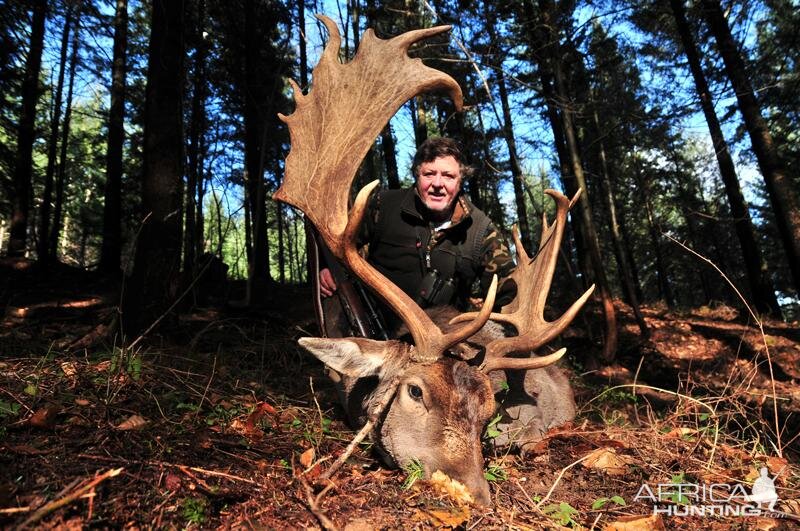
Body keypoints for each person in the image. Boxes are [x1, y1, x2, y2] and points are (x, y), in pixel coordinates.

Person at [319, 137, 515, 325]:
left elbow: (509, 294)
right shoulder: (384, 205)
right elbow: (337, 242)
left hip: (442, 343)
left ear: (460, 180)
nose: (437, 184)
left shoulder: (481, 231)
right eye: (429, 174)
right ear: (416, 175)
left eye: (448, 176)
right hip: (376, 331)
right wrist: (325, 268)